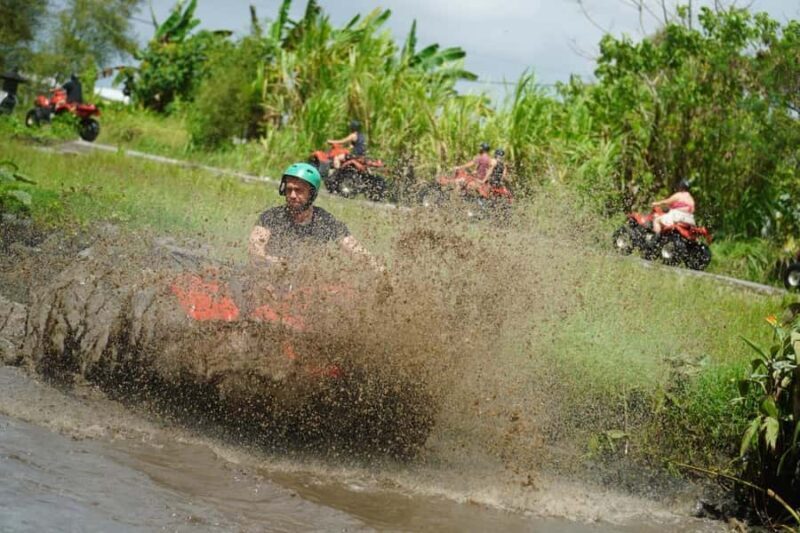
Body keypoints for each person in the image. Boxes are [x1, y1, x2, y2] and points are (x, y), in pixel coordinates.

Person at [248, 162, 379, 267]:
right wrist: (273, 262)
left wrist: (379, 269)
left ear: (312, 194)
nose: (293, 195)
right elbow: (255, 251)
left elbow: (357, 251)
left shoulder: (325, 221)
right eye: (289, 190)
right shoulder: (271, 217)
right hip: (270, 278)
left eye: (298, 190)